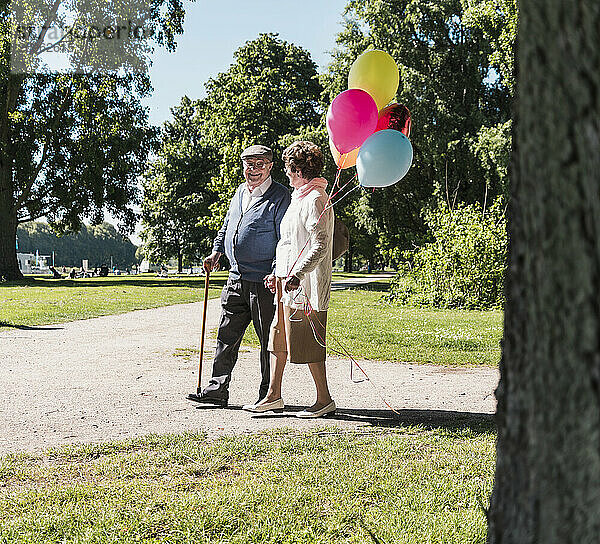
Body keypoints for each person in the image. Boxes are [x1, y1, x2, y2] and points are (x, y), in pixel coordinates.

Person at [188, 145, 291, 407]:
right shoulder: (239, 192)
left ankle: (269, 395)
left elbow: (285, 238)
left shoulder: (280, 196)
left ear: (270, 166)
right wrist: (216, 252)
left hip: (264, 281)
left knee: (267, 340)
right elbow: (227, 225)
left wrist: (276, 270)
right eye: (248, 164)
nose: (252, 169)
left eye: (259, 164)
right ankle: (216, 390)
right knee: (226, 335)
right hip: (236, 278)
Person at [243, 141, 336, 418]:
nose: (286, 173)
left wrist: (297, 273)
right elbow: (288, 242)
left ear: (298, 170)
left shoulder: (316, 198)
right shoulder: (299, 197)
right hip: (287, 283)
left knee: (308, 340)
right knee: (278, 337)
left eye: (288, 167)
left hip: (306, 286)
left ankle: (324, 399)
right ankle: (273, 395)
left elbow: (320, 244)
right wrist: (278, 273)